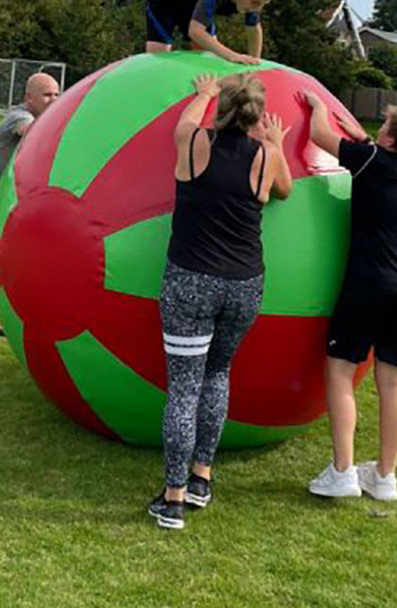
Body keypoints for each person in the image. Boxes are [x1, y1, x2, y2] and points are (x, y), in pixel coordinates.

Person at [147, 73, 293, 530]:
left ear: (223, 108)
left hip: (191, 282)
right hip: (244, 286)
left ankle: (173, 499)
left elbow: (184, 124)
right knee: (218, 373)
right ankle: (202, 477)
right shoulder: (265, 156)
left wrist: (204, 94)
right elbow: (285, 189)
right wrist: (276, 142)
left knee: (185, 388)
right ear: (254, 115)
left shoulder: (193, 144)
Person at [298, 93, 397, 502]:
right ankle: (385, 477)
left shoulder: (372, 161)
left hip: (369, 283)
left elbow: (320, 134)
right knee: (393, 382)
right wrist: (366, 140)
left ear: (390, 141)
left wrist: (317, 104)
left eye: (385, 127)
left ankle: (343, 472)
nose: (379, 131)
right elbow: (377, 152)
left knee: (340, 371)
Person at [0, 72, 60, 355]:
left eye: (56, 94)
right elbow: (30, 133)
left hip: (5, 199)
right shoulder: (18, 117)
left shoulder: (43, 117)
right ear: (29, 98)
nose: (53, 100)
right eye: (46, 95)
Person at [144, 0, 279, 65]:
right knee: (159, 57)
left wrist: (254, 63)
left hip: (193, 8)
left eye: (262, 4)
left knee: (206, 56)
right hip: (164, 3)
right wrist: (233, 56)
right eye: (256, 3)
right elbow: (195, 32)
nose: (258, 9)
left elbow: (254, 30)